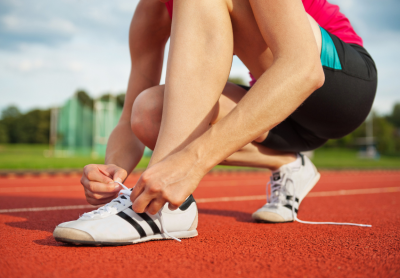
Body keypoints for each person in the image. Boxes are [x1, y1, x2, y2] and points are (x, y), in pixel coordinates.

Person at [53, 0, 377, 245]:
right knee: (148, 111)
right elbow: (128, 121)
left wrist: (189, 165)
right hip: (279, 110)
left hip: (340, 88)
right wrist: (113, 170)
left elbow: (304, 70)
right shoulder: (151, 10)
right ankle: (290, 163)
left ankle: (166, 207)